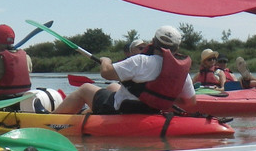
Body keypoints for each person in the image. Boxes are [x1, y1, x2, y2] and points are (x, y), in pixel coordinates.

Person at [54, 25, 198, 115]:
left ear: (153, 42)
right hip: (150, 110)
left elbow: (106, 73)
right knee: (113, 86)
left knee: (85, 89)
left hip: (122, 108)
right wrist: (162, 98)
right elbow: (190, 102)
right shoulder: (181, 72)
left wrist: (106, 61)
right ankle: (85, 114)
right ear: (176, 48)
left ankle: (50, 118)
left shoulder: (141, 60)